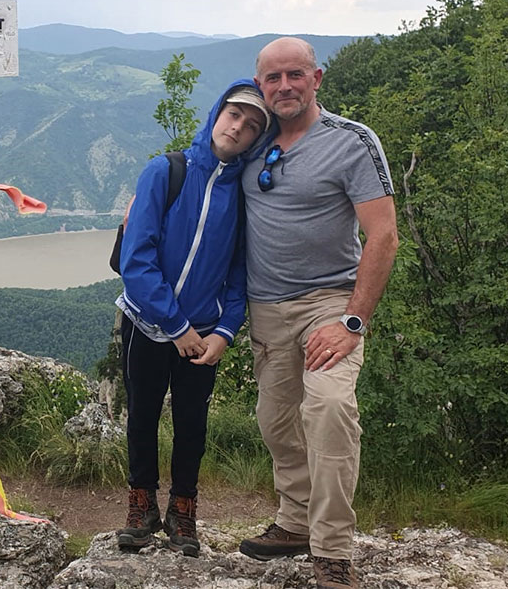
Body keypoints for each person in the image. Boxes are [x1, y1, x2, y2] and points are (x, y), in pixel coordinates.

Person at [237, 37, 398, 589]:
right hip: (264, 306)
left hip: (329, 303)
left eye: (294, 75)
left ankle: (332, 549)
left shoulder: (352, 142)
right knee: (277, 420)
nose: (284, 87)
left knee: (328, 409)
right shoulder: (250, 141)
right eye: (273, 78)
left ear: (317, 78)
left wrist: (353, 320)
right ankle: (294, 521)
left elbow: (383, 236)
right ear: (260, 86)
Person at [115, 79, 272, 556]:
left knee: (192, 424)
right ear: (216, 115)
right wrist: (176, 327)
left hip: (204, 336)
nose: (238, 128)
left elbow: (238, 274)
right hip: (147, 324)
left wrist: (224, 331)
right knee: (141, 416)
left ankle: (184, 512)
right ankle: (140, 506)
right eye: (233, 115)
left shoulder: (242, 197)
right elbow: (135, 261)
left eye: (250, 126)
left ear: (256, 139)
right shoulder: (167, 171)